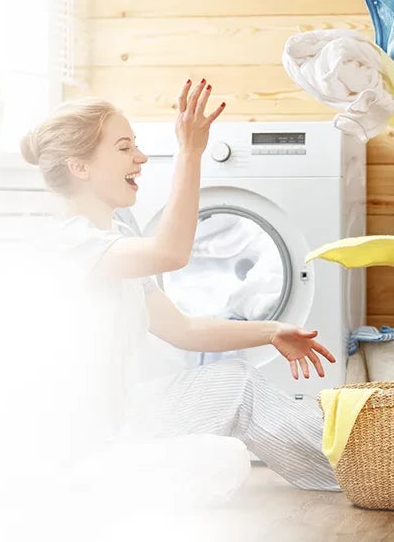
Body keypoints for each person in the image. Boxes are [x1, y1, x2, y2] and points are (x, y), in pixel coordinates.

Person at [20, 79, 339, 490]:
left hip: (122, 417)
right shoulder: (69, 245)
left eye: (135, 144)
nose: (140, 157)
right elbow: (172, 253)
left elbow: (181, 329)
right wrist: (190, 151)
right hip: (84, 443)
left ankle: (359, 471)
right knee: (224, 464)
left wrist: (272, 331)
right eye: (123, 148)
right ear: (80, 167)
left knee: (237, 384)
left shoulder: (117, 235)